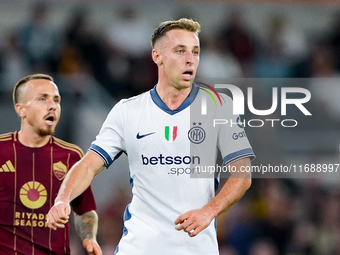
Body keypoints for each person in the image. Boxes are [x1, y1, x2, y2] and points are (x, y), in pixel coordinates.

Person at [47, 18, 255, 254]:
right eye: (180, 51)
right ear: (157, 56)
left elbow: (242, 174)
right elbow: (87, 166)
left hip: (196, 248)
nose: (190, 59)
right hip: (139, 247)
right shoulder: (128, 111)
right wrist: (62, 199)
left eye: (195, 52)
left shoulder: (219, 106)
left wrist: (209, 210)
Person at [0, 74, 102, 255]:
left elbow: (84, 211)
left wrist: (89, 238)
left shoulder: (72, 156)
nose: (52, 106)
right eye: (42, 99)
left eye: (57, 100)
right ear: (21, 110)